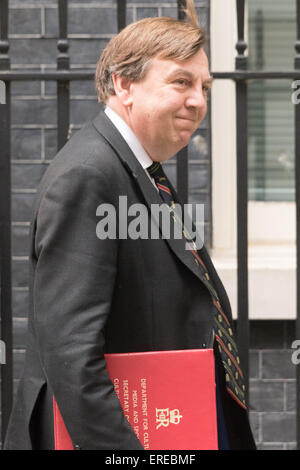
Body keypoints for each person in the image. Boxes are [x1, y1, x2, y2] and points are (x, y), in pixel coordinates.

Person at [4, 1, 256, 450]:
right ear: (124, 84)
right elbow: (71, 354)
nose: (198, 100)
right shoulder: (89, 174)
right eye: (181, 81)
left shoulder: (140, 168)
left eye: (205, 86)